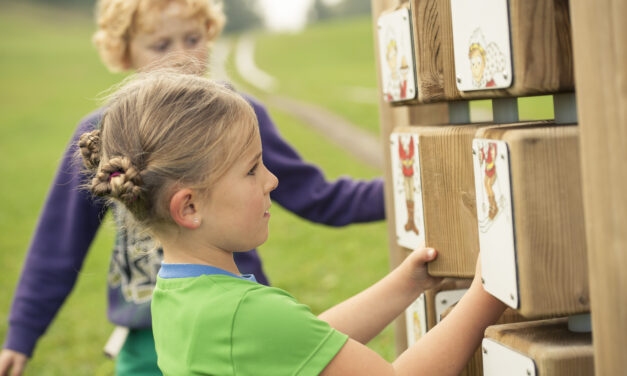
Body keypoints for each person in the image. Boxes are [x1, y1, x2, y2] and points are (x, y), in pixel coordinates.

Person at [0, 1, 384, 375]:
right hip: (144, 337)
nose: (182, 56)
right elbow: (57, 243)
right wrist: (22, 334)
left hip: (237, 323)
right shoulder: (104, 132)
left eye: (192, 37)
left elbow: (318, 196)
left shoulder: (236, 116)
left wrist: (406, 190)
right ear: (124, 51)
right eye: (161, 45)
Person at [82, 70, 506, 375]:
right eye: (252, 170)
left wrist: (405, 285)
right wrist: (487, 293)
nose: (272, 180)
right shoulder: (242, 312)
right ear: (189, 207)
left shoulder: (177, 294)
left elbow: (307, 344)